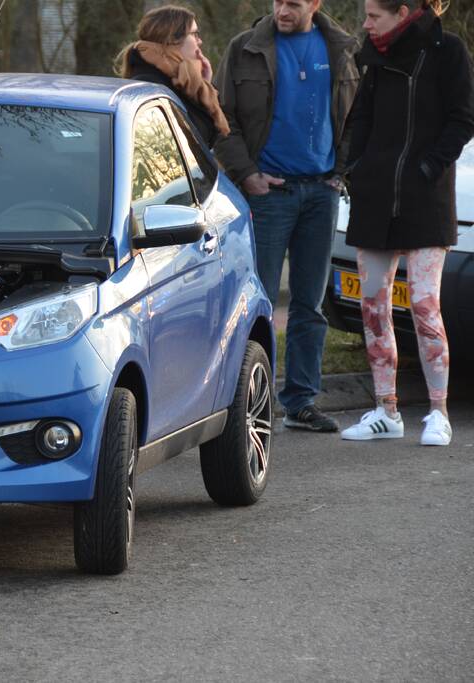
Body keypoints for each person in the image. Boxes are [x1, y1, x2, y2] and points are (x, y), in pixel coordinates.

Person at [213, 0, 359, 432]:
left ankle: (300, 402)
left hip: (322, 193)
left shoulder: (341, 49)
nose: (282, 10)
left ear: (315, 4)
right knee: (254, 303)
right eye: (278, 1)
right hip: (268, 194)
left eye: (293, 3)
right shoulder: (245, 48)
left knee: (309, 304)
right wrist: (247, 174)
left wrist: (341, 170)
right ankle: (245, 403)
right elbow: (221, 117)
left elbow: (357, 117)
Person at [339, 0, 474, 446]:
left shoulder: (448, 50)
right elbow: (360, 118)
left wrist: (429, 167)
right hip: (374, 200)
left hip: (426, 200)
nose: (365, 24)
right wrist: (354, 168)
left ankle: (439, 413)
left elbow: (463, 118)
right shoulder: (373, 55)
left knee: (423, 306)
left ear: (401, 13)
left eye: (373, 16)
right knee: (373, 307)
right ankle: (386, 411)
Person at [115, 5, 230, 147]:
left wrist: (204, 84)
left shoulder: (181, 81)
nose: (200, 41)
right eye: (194, 34)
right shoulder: (153, 88)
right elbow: (191, 142)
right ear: (173, 39)